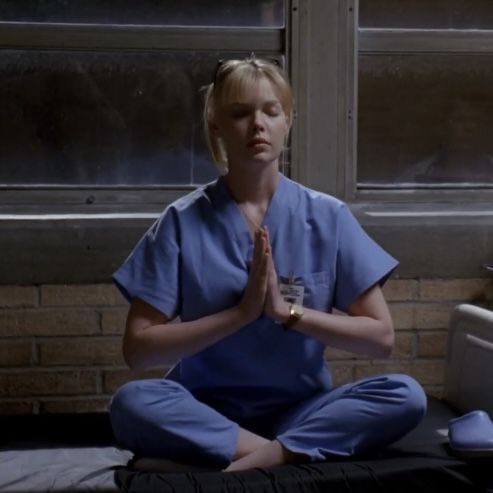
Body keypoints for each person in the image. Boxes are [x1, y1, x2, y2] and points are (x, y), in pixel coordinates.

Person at [109, 56, 427, 473]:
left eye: (270, 111)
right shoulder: (182, 221)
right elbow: (137, 350)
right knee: (131, 403)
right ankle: (280, 454)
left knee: (405, 395)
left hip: (302, 410)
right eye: (240, 113)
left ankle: (248, 459)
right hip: (207, 411)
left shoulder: (328, 217)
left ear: (287, 121)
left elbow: (380, 338)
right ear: (217, 127)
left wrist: (285, 312)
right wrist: (241, 314)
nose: (257, 124)